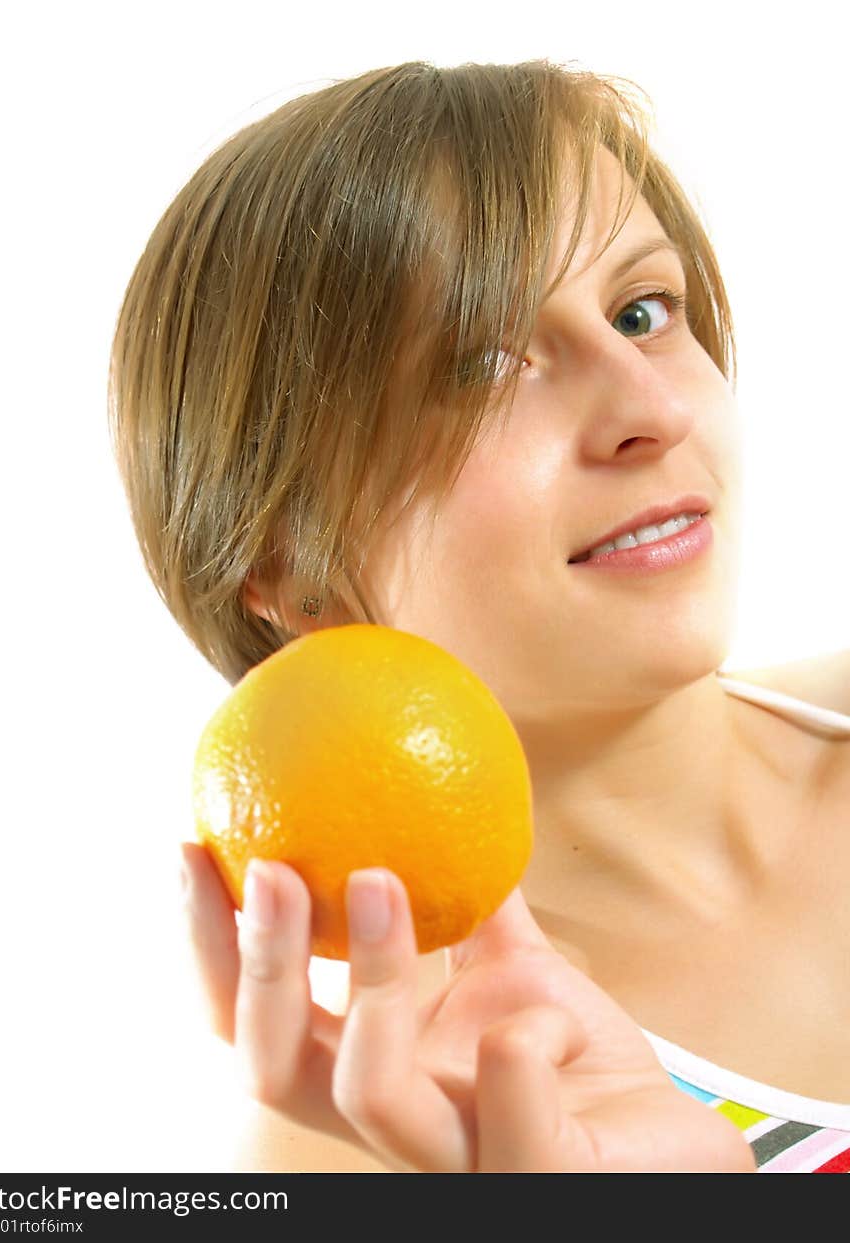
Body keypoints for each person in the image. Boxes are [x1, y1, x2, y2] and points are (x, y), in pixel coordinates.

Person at [108, 59, 850, 1173]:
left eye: (643, 312)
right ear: (292, 565)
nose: (646, 410)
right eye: (481, 365)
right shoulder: (392, 1139)